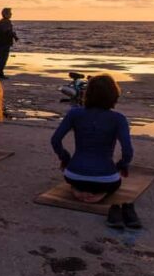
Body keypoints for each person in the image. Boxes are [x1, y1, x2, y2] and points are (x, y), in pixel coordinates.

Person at [50, 74, 138, 227]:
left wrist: (65, 158)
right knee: (112, 183)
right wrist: (121, 165)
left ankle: (79, 190)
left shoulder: (75, 113)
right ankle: (96, 194)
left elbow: (55, 140)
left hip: (73, 175)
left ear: (87, 94)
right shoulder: (118, 118)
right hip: (106, 179)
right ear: (114, 95)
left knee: (79, 182)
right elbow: (128, 152)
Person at [0, 7, 19, 79]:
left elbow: (6, 32)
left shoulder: (0, 22)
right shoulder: (6, 22)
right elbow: (7, 32)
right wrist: (14, 36)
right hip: (4, 42)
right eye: (10, 13)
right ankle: (0, 73)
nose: (11, 14)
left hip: (0, 42)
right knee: (3, 58)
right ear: (6, 14)